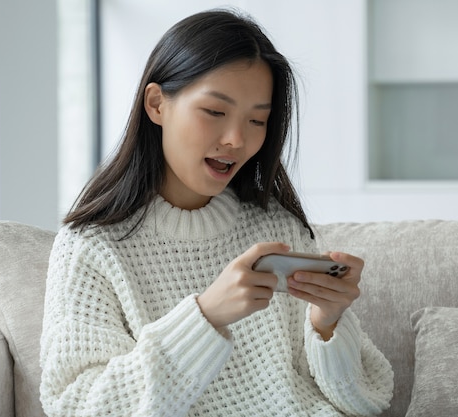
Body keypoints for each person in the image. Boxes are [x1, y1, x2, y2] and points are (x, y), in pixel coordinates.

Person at [39, 8, 393, 417]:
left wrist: (326, 325)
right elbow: (79, 406)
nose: (236, 139)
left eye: (257, 120)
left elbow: (368, 398)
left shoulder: (278, 227)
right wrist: (206, 316)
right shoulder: (92, 248)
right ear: (157, 104)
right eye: (215, 112)